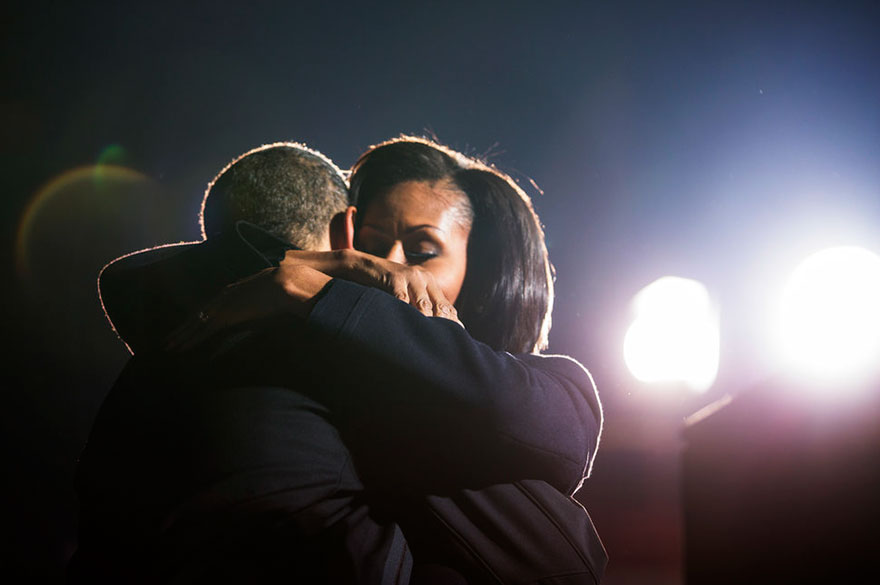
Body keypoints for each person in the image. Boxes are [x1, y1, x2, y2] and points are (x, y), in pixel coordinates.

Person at [75, 137, 607, 584]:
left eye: (423, 251)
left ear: (484, 272)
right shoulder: (294, 365)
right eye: (373, 245)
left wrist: (325, 296)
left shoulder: (548, 383)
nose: (391, 266)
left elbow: (545, 432)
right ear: (342, 242)